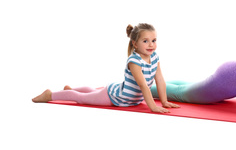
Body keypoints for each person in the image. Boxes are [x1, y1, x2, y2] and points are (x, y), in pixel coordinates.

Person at [32, 23, 180, 113]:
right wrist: (153, 107)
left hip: (129, 99)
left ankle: (69, 89)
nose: (151, 45)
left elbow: (160, 80)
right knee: (82, 99)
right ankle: (50, 95)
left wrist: (164, 101)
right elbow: (143, 85)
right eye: (145, 41)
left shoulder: (155, 58)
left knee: (93, 92)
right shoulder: (134, 61)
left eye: (154, 40)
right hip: (114, 97)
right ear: (135, 44)